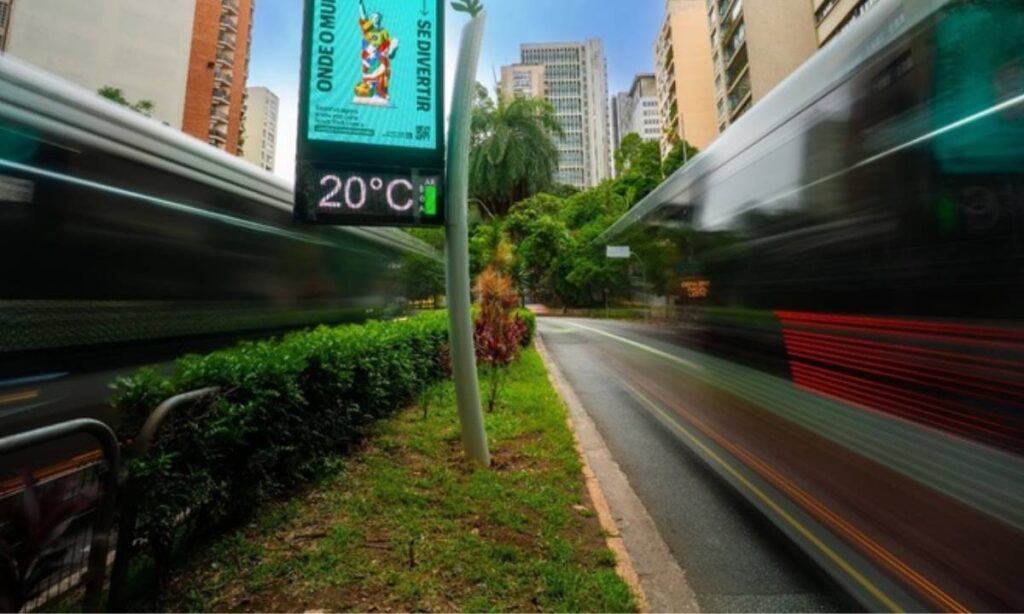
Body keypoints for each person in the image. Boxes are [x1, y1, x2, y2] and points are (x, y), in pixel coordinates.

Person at [354, 0, 399, 105]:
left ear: (380, 19)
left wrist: (391, 49)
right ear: (372, 19)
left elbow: (387, 43)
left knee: (383, 74)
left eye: (378, 17)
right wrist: (361, 4)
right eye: (374, 17)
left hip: (380, 56)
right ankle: (368, 91)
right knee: (369, 74)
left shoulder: (384, 31)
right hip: (369, 56)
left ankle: (380, 93)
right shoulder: (369, 28)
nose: (376, 19)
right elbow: (363, 15)